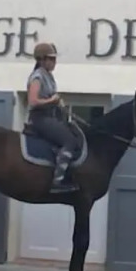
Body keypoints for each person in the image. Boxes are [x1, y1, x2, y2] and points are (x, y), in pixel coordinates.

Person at [26, 42, 79, 194]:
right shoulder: (37, 77)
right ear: (41, 60)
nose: (54, 62)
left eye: (54, 59)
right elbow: (33, 101)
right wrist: (52, 101)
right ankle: (58, 181)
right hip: (40, 118)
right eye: (51, 59)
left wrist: (58, 104)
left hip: (50, 116)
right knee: (69, 141)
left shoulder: (48, 76)